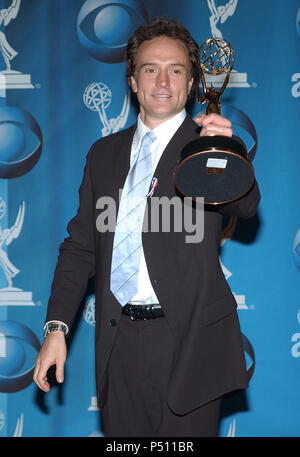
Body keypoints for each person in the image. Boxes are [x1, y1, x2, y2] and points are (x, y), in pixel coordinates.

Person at [33, 17, 260, 437]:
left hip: (190, 343)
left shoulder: (204, 148)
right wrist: (57, 328)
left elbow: (246, 207)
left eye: (175, 70)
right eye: (149, 69)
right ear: (133, 82)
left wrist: (228, 155)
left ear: (192, 85)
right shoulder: (103, 154)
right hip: (118, 346)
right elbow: (81, 247)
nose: (162, 81)